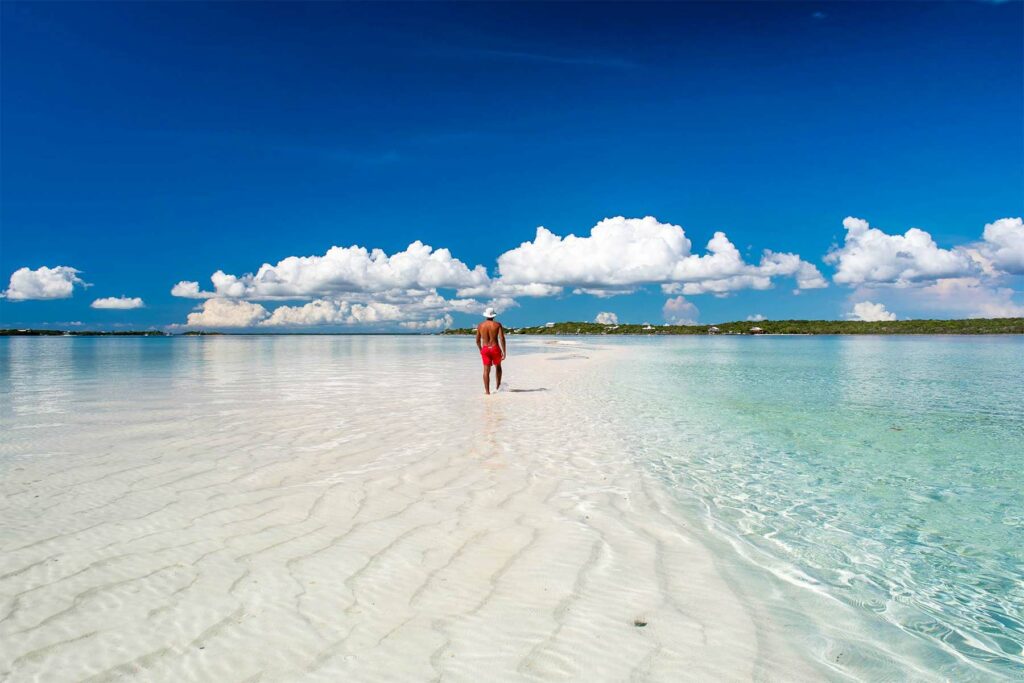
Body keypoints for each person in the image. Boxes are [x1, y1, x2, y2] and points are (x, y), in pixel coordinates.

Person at [476, 307, 506, 394]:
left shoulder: (480, 325)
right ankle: (497, 388)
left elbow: (477, 340)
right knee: (498, 367)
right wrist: (504, 352)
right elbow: (502, 338)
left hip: (485, 349)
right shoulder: (497, 325)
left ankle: (487, 392)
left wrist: (481, 350)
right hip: (495, 348)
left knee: (486, 370)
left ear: (486, 315)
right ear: (493, 316)